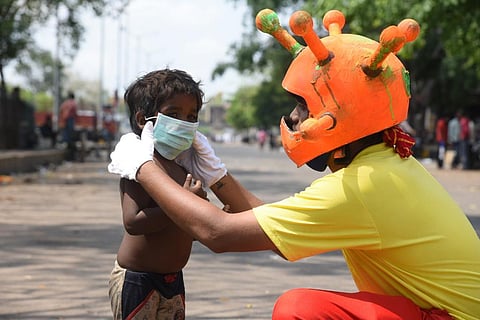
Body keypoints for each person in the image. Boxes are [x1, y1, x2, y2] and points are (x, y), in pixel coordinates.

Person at [108, 9, 480, 320]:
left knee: (299, 309)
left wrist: (142, 165)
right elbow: (266, 223)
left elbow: (217, 233)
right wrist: (217, 176)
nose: (293, 117)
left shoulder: (360, 186)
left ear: (338, 114)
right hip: (437, 310)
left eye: (304, 106)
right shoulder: (383, 165)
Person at [107, 69, 252, 320]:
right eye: (174, 114)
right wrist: (182, 205)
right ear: (143, 119)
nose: (184, 122)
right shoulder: (140, 165)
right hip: (138, 278)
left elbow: (188, 227)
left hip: (173, 280)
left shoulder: (185, 168)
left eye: (191, 116)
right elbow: (132, 222)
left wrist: (214, 216)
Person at [59, 91, 78, 160]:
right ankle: (69, 143)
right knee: (71, 134)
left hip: (64, 119)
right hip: (70, 119)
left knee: (65, 132)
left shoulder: (65, 103)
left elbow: (60, 110)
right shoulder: (73, 103)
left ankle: (65, 142)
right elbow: (75, 112)